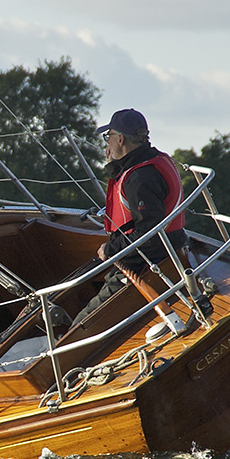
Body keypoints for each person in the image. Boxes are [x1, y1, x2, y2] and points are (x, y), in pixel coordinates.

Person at [72, 108, 188, 326]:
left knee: (81, 324)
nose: (107, 144)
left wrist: (110, 249)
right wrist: (114, 166)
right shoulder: (152, 161)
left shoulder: (139, 178)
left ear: (121, 139)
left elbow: (149, 233)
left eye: (109, 137)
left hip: (144, 264)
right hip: (171, 250)